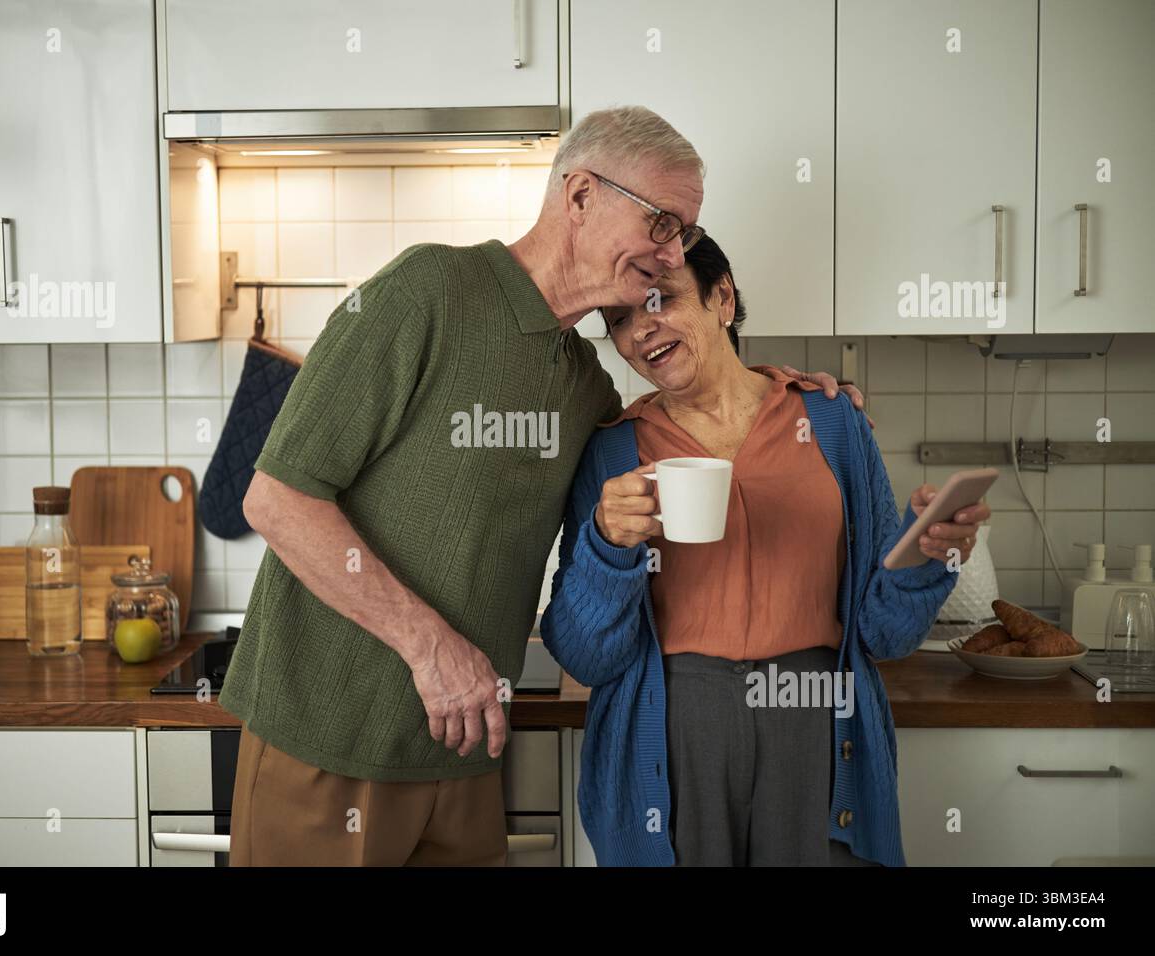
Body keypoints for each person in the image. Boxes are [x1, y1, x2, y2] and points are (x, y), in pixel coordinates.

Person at [223, 106, 865, 866]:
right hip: (331, 740)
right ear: (582, 193)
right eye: (662, 222)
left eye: (684, 236)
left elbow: (697, 394)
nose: (670, 252)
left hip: (464, 746)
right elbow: (276, 498)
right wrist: (432, 651)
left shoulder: (585, 387)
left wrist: (785, 393)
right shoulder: (428, 290)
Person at [540, 234, 991, 866]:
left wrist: (928, 553)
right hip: (673, 731)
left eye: (660, 300)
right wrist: (609, 545)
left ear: (721, 296)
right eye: (619, 319)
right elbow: (584, 655)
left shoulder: (833, 422)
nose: (641, 330)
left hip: (812, 722)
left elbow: (883, 633)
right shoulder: (614, 451)